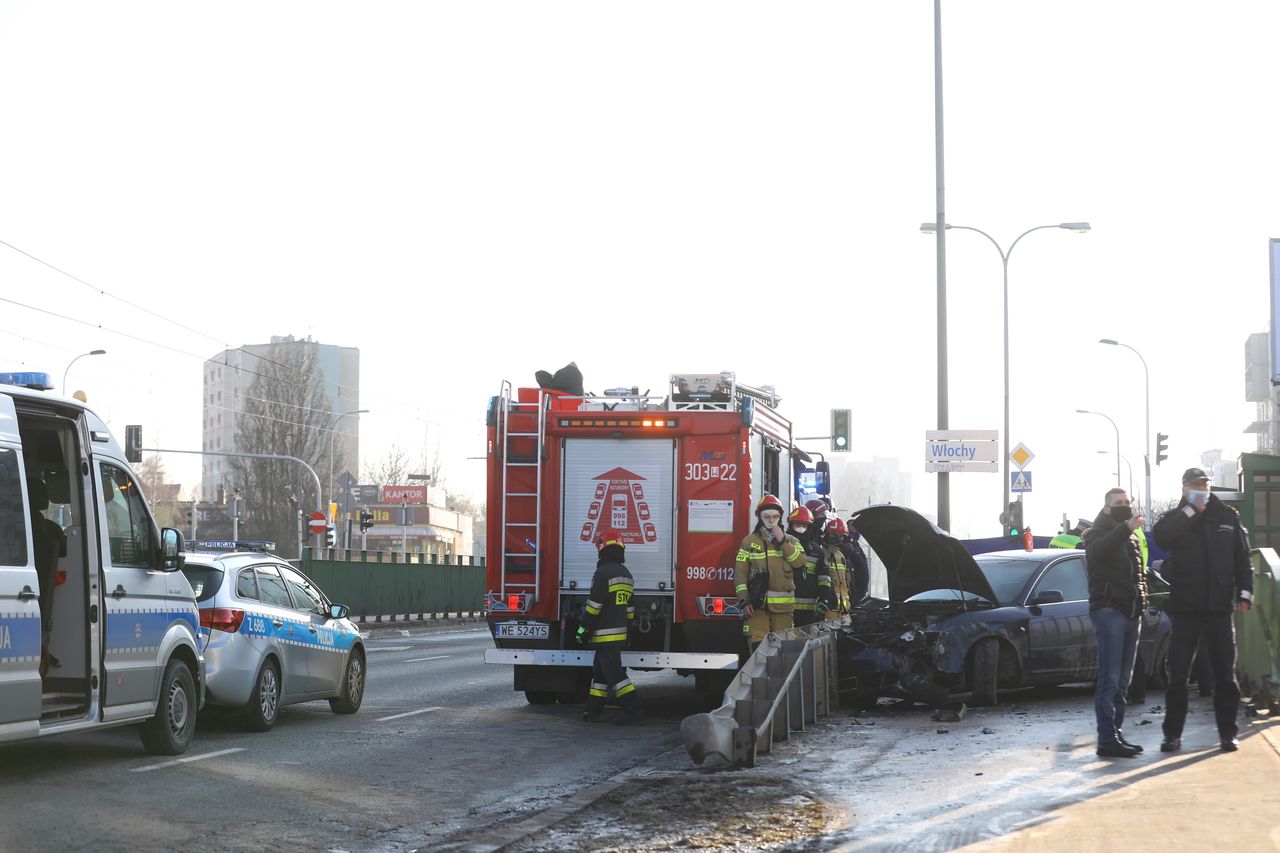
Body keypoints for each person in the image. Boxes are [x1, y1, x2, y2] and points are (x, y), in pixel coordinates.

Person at [1153, 467, 1253, 752]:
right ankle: (1172, 735)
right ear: (1184, 488)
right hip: (1186, 608)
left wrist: (1244, 594)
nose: (1202, 488)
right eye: (1196, 484)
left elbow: (1242, 560)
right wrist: (1190, 512)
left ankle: (1227, 734)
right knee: (1178, 675)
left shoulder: (1227, 517)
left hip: (1219, 607)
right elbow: (1162, 538)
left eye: (1205, 484)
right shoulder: (1176, 519)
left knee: (1224, 674)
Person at [1082, 487, 1147, 757]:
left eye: (1127, 502)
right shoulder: (1095, 533)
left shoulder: (1130, 536)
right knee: (1109, 678)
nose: (1125, 506)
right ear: (1107, 508)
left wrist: (1143, 601)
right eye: (1118, 503)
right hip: (1109, 611)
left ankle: (1116, 734)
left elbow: (1138, 574)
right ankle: (1106, 738)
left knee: (1123, 680)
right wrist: (1126, 529)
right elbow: (1100, 551)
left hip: (1131, 612)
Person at [576, 528, 642, 725]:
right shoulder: (626, 573)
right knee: (600, 674)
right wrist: (628, 631)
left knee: (614, 674)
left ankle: (633, 708)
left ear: (602, 549)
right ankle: (593, 709)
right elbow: (630, 608)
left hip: (603, 635)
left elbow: (594, 606)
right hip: (619, 634)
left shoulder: (602, 573)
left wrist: (582, 630)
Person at [735, 494, 807, 648]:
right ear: (759, 517)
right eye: (766, 516)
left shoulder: (792, 541)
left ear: (780, 517)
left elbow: (800, 563)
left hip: (784, 610)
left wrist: (783, 541)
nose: (770, 520)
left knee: (782, 651)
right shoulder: (749, 542)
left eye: (774, 516)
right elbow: (740, 572)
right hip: (757, 607)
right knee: (758, 650)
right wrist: (744, 600)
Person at [787, 506, 830, 627]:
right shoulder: (783, 547)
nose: (801, 528)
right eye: (797, 524)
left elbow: (824, 579)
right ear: (791, 525)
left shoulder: (817, 551)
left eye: (804, 525)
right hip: (784, 609)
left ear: (810, 527)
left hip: (810, 612)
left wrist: (824, 599)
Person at [822, 517, 853, 615]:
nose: (841, 539)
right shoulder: (822, 553)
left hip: (845, 610)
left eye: (843, 537)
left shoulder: (841, 555)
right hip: (829, 610)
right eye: (840, 536)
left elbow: (847, 585)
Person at [841, 518, 871, 604]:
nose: (855, 530)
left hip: (861, 591)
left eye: (857, 528)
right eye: (852, 527)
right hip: (854, 593)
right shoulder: (847, 544)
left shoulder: (857, 545)